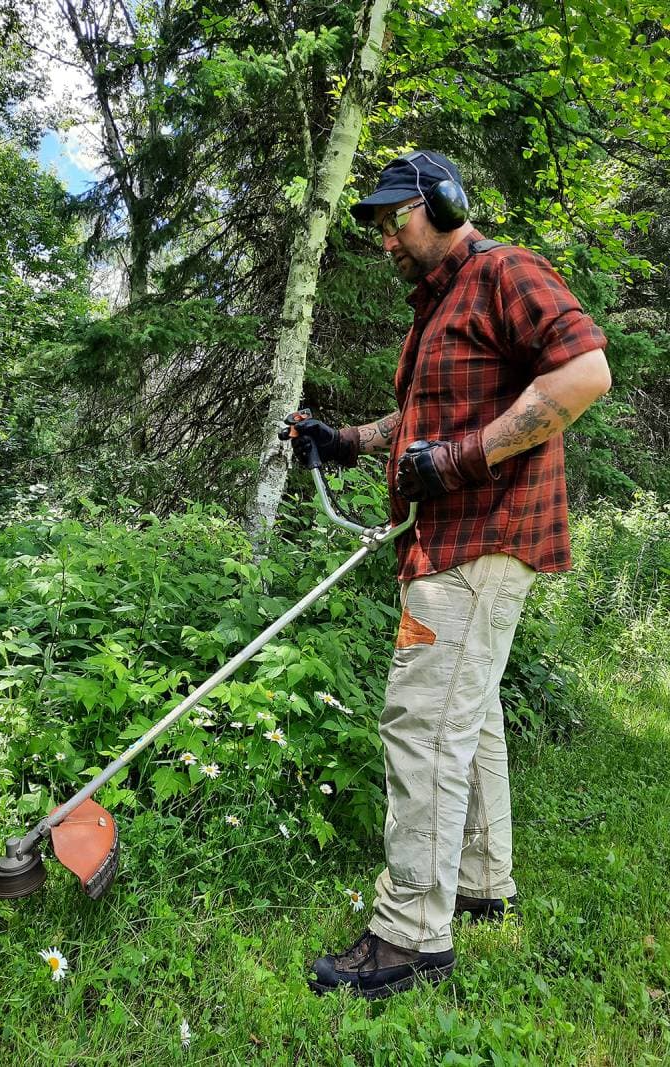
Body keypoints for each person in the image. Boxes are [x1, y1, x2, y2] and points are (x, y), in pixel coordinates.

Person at [280, 150, 611, 1000]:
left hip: (478, 541)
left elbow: (583, 373)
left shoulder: (504, 271)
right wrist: (347, 439)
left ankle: (408, 935)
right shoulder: (440, 307)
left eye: (396, 219)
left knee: (422, 727)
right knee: (475, 718)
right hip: (454, 545)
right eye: (379, 225)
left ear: (445, 202)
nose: (385, 238)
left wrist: (460, 461)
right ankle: (481, 883)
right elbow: (424, 416)